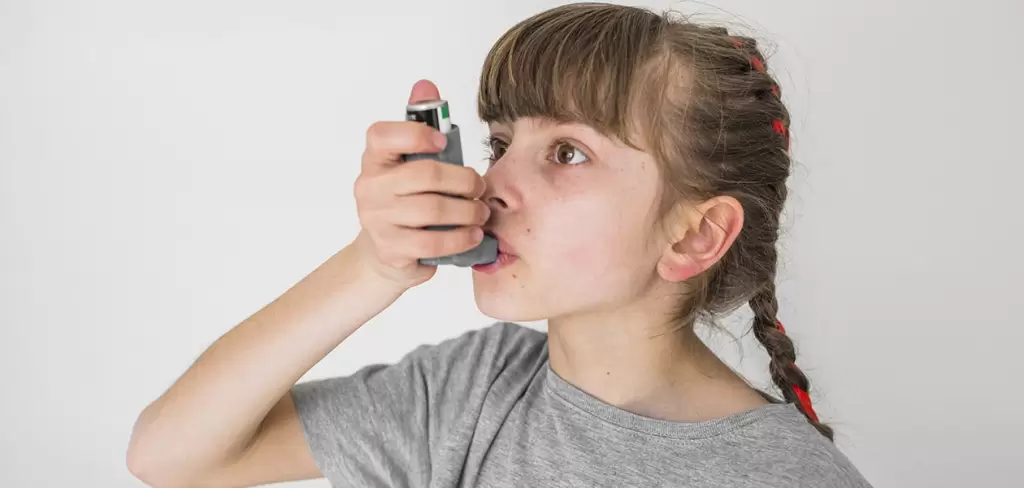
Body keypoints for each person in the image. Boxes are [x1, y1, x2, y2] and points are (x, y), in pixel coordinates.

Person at [127, 3, 872, 487]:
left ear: (694, 235)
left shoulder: (785, 477)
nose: (493, 184)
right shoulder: (471, 392)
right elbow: (171, 457)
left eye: (568, 153)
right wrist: (373, 265)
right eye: (502, 142)